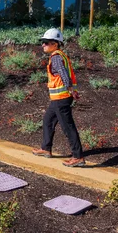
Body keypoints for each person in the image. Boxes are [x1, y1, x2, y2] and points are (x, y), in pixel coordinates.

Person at [31, 27, 85, 167]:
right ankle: (46, 149)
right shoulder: (60, 56)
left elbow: (63, 73)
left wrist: (70, 89)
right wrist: (72, 91)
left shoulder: (56, 57)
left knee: (68, 127)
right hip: (58, 99)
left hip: (61, 98)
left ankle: (78, 157)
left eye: (46, 42)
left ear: (55, 44)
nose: (43, 45)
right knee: (48, 120)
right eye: (43, 42)